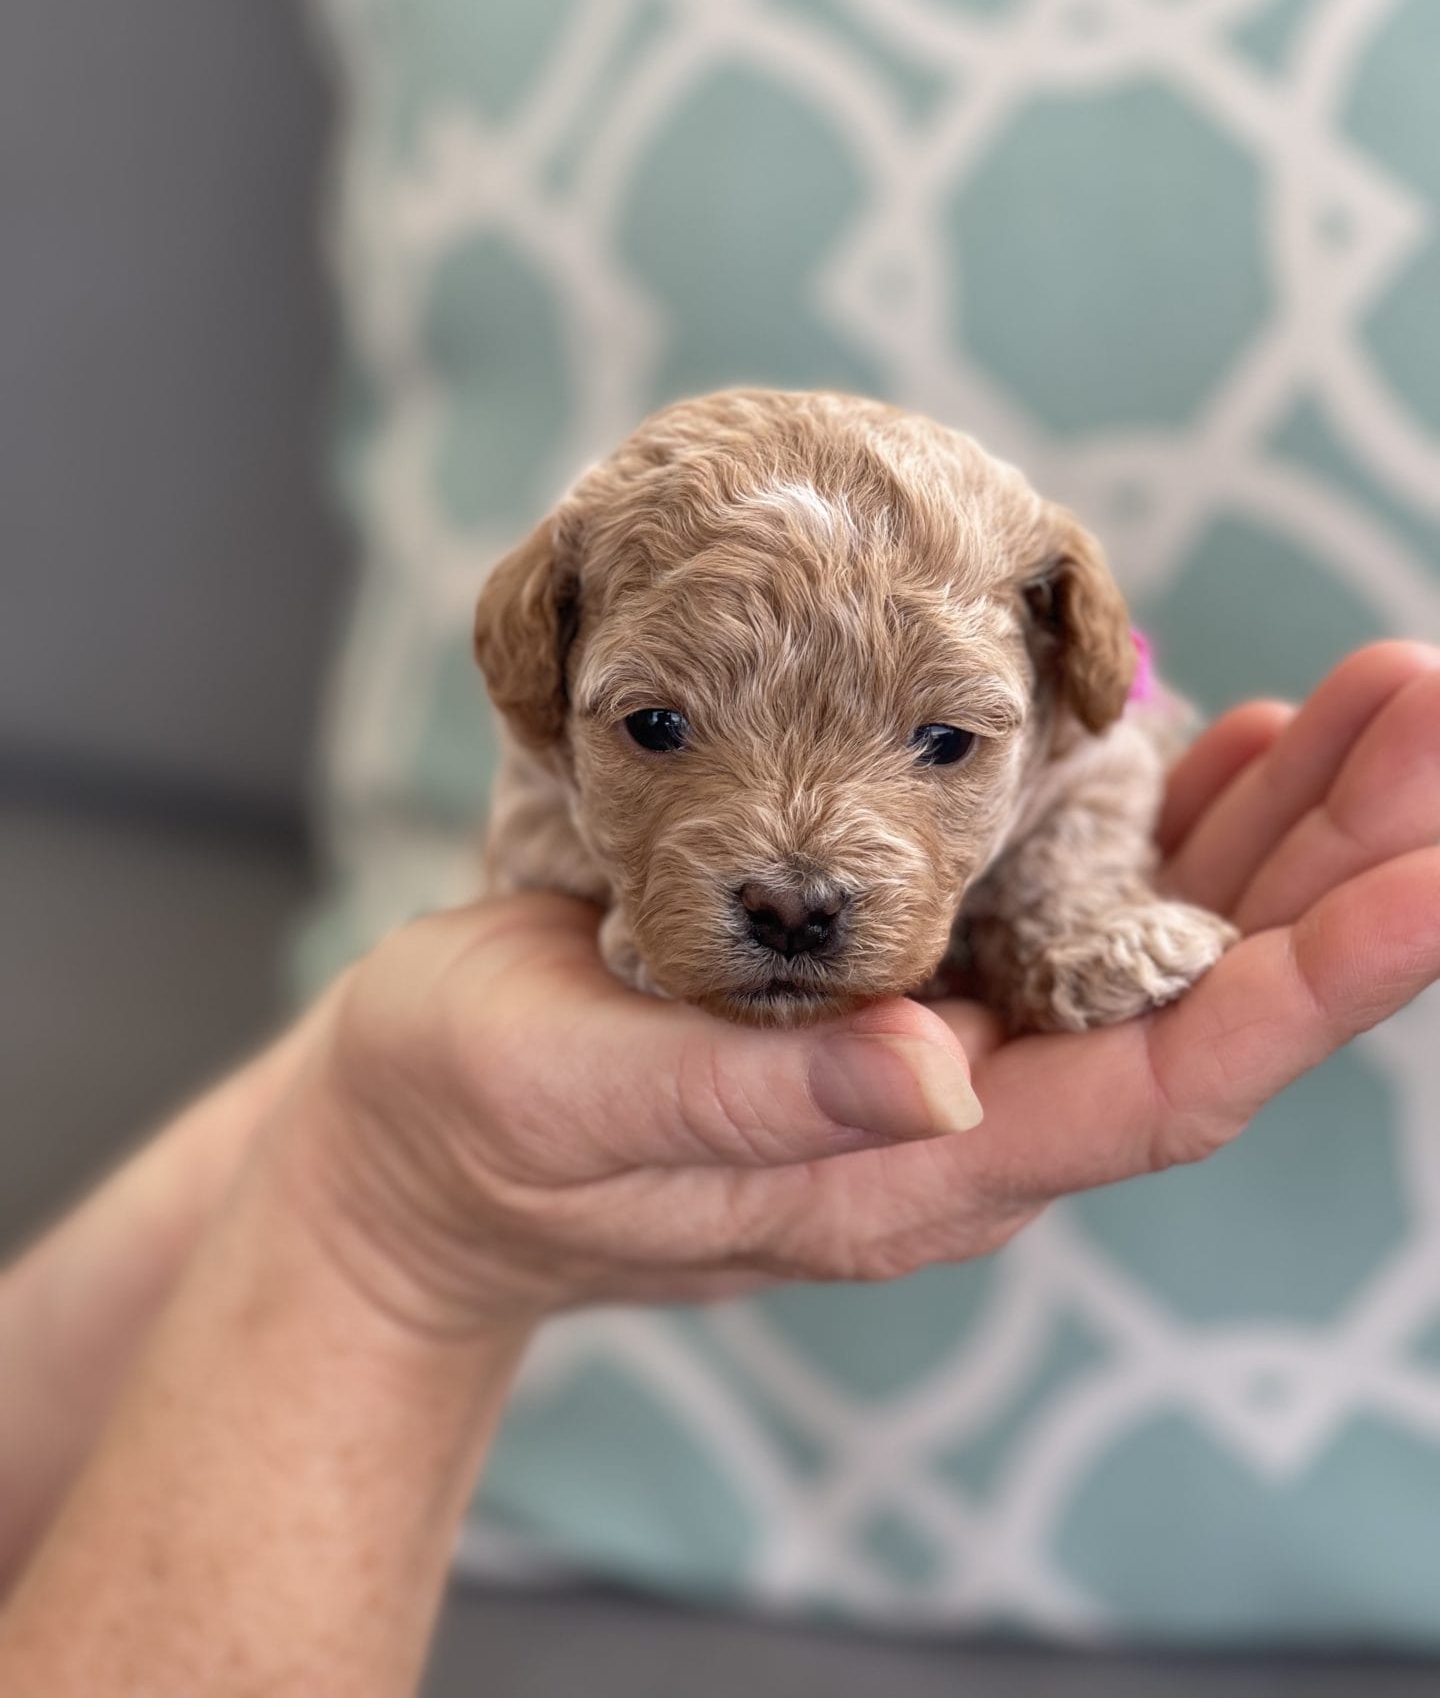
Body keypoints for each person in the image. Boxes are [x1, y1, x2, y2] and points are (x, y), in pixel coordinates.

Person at [0, 641, 1437, 1696]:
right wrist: (390, 1236)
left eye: (942, 744)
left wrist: (1058, 915)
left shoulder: (1083, 720)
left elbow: (1093, 773)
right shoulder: (550, 731)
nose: (794, 875)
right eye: (664, 723)